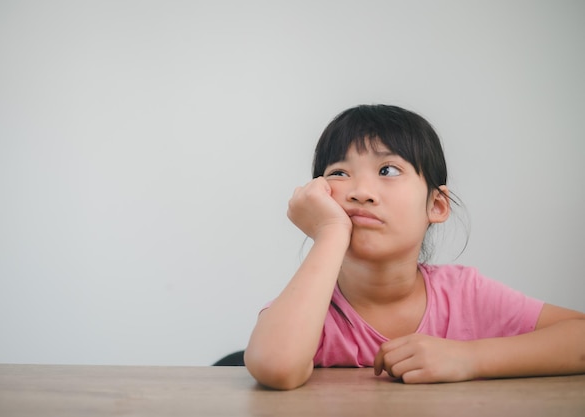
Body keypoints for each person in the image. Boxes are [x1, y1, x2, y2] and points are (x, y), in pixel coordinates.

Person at [244, 104, 585, 390]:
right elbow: (276, 365)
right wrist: (331, 231)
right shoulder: (311, 305)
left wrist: (468, 358)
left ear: (436, 205)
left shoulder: (464, 295)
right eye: (338, 173)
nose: (361, 191)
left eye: (388, 169)